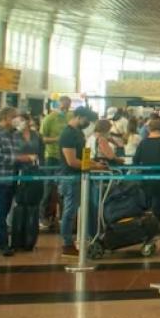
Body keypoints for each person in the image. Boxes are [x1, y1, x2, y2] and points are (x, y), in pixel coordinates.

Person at [0, 107, 39, 256]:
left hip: (11, 178)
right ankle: (3, 245)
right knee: (0, 212)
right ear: (5, 118)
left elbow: (15, 154)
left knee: (4, 211)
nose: (17, 120)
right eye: (14, 117)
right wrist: (22, 158)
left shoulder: (13, 135)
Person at [58, 107, 103, 258]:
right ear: (78, 117)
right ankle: (67, 244)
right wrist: (94, 166)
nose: (88, 123)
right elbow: (71, 161)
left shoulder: (79, 133)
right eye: (86, 120)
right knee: (69, 212)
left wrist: (95, 163)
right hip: (70, 177)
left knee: (83, 209)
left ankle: (87, 238)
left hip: (82, 176)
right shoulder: (68, 134)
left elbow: (83, 156)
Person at [11, 114, 45, 251]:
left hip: (35, 172)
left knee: (33, 205)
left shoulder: (37, 136)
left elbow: (42, 154)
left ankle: (30, 240)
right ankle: (18, 239)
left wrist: (40, 166)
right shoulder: (14, 136)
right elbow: (10, 155)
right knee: (20, 205)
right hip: (20, 173)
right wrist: (26, 158)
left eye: (24, 120)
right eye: (20, 120)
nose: (22, 123)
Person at [40, 97, 72, 231]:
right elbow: (42, 138)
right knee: (48, 187)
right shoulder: (49, 119)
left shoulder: (71, 117)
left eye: (67, 107)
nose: (65, 109)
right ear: (57, 105)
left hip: (65, 157)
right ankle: (43, 217)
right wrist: (57, 139)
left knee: (64, 189)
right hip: (51, 156)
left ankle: (63, 218)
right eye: (63, 107)